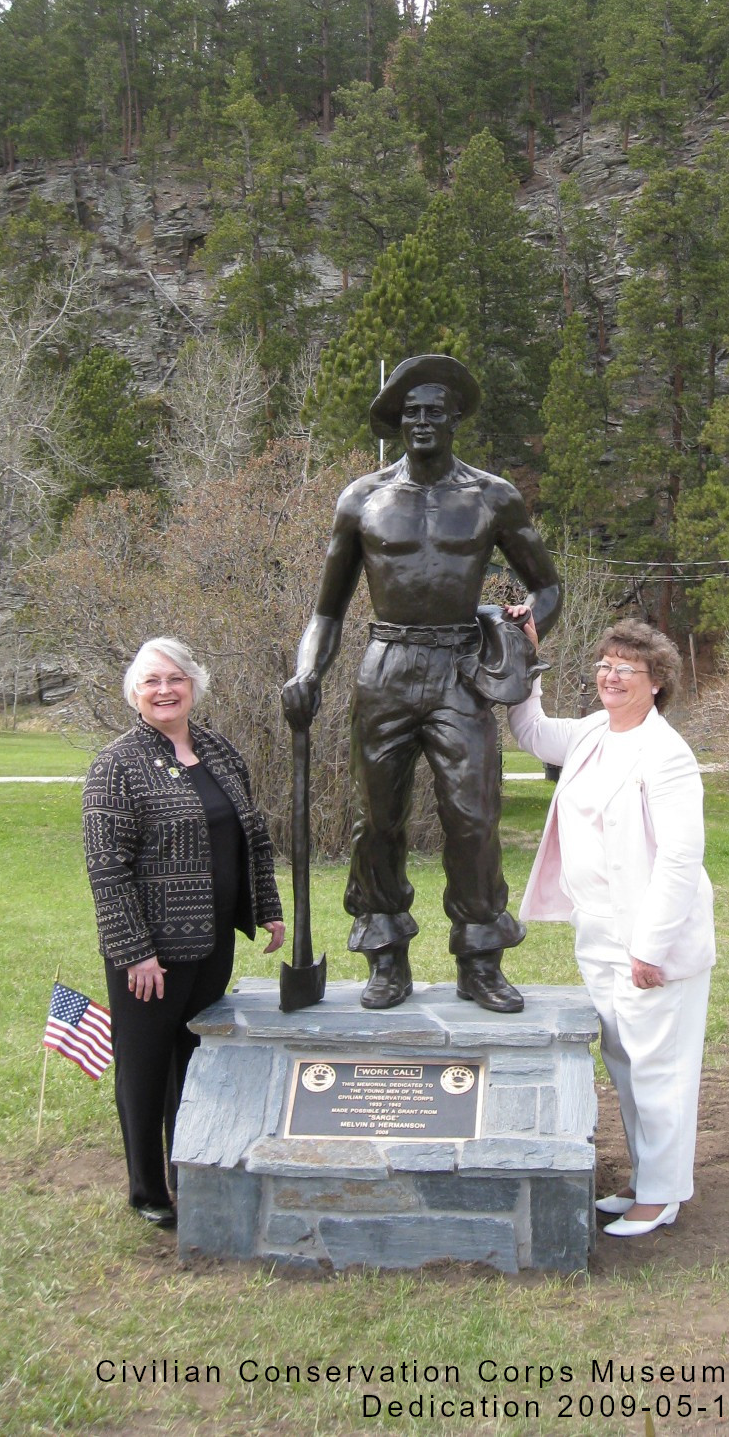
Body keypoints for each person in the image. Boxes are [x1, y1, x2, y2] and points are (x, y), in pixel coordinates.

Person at [281, 354, 560, 1014]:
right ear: (398, 422)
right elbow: (327, 610)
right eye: (411, 412)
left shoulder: (492, 496)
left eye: (435, 410)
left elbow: (547, 584)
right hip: (385, 664)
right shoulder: (362, 499)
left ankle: (480, 954)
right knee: (375, 818)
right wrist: (306, 669)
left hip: (460, 667)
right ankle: (384, 950)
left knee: (473, 815)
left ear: (456, 418)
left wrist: (528, 624)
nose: (423, 421)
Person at [508, 614, 714, 1238]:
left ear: (658, 683)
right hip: (595, 930)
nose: (611, 676)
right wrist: (527, 655)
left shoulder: (666, 755)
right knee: (624, 1060)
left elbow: (681, 859)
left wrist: (649, 947)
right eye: (605, 664)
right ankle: (645, 1177)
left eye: (628, 668)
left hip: (650, 939)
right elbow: (533, 732)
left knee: (659, 1065)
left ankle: (663, 1193)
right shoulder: (595, 732)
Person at [83, 637, 285, 1227]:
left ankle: (187, 1169)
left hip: (212, 944)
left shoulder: (220, 751)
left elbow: (253, 836)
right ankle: (148, 1191)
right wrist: (134, 953)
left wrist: (266, 908)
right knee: (145, 1067)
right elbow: (106, 869)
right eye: (151, 682)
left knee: (194, 1060)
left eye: (174, 678)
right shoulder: (117, 765)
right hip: (152, 955)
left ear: (194, 684)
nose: (164, 690)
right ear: (134, 694)